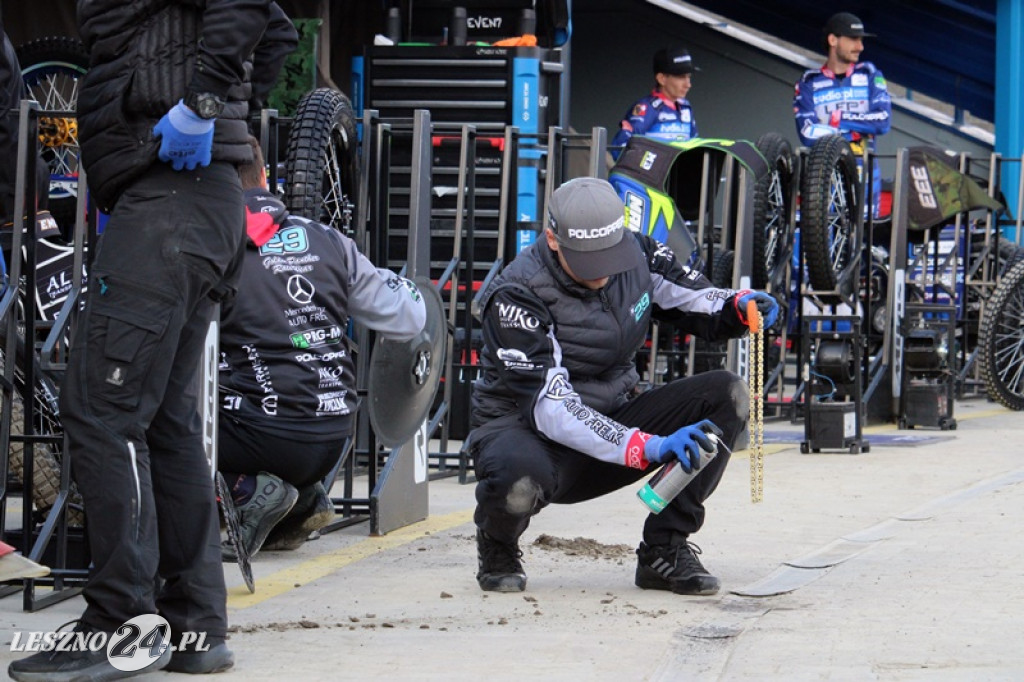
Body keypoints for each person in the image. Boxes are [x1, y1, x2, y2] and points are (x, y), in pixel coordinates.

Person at [8, 3, 297, 681]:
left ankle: (120, 624)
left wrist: (203, 106)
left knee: (102, 411)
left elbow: (256, 10)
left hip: (169, 203)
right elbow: (278, 32)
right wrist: (222, 118)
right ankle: (196, 624)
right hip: (191, 201)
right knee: (163, 422)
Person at [466, 177, 779, 595]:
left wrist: (737, 305)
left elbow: (694, 296)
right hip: (529, 432)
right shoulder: (515, 295)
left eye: (610, 255)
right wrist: (648, 445)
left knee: (729, 394)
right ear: (552, 239)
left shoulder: (637, 253)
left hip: (612, 413)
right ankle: (497, 543)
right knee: (518, 482)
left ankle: (663, 549)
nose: (604, 272)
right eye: (589, 260)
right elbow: (552, 409)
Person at [218, 137, 427, 560]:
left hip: (259, 434)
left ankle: (247, 490)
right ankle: (302, 499)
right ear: (263, 177)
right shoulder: (327, 239)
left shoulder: (207, 245)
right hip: (333, 437)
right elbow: (410, 316)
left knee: (155, 424)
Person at [793, 12, 891, 214]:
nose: (860, 47)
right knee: (819, 242)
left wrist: (837, 120)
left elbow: (882, 121)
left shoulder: (870, 75)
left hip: (865, 172)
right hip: (822, 175)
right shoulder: (808, 82)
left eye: (861, 40)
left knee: (862, 240)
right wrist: (852, 132)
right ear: (833, 40)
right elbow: (807, 134)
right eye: (854, 39)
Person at [610, 45, 699, 156]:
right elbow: (619, 149)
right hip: (651, 173)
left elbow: (695, 146)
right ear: (662, 79)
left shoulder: (685, 107)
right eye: (681, 77)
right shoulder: (646, 108)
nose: (688, 84)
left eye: (689, 76)